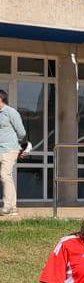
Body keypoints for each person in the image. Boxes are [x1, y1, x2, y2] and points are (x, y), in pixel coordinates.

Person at [0, 86, 27, 218]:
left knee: (4, 175)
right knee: (7, 177)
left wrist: (16, 144)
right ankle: (13, 207)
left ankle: (7, 206)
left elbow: (21, 132)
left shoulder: (11, 112)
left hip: (9, 149)